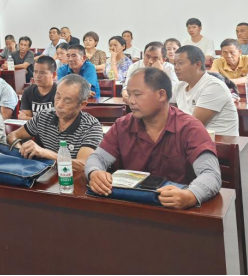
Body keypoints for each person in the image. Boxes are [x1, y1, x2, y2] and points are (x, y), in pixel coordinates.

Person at [86, 68, 222, 210]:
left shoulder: (190, 128)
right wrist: (94, 172)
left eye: (137, 95)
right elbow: (97, 158)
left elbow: (211, 174)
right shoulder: (123, 125)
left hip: (176, 211)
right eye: (129, 94)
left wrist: (191, 195)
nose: (131, 101)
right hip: (131, 207)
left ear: (161, 95)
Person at [7, 75, 103, 169]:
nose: (59, 105)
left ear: (82, 104)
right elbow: (12, 135)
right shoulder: (44, 116)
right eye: (57, 97)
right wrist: (22, 150)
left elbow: (83, 165)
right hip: (45, 175)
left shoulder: (91, 127)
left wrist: (46, 153)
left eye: (67, 101)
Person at [173, 46, 239, 136]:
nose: (176, 68)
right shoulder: (180, 86)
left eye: (180, 63)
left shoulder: (214, 86)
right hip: (193, 139)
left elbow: (193, 125)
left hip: (219, 142)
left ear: (198, 64)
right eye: (174, 64)